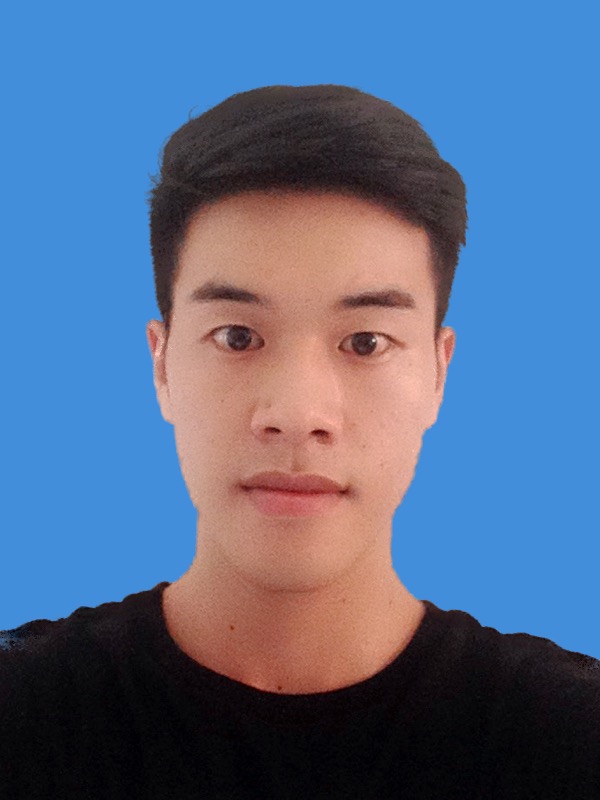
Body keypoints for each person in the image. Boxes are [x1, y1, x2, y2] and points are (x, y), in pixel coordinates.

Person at [1, 84, 598, 798]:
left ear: (439, 373)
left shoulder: (573, 739)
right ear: (161, 366)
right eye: (237, 336)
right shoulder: (20, 717)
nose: (296, 413)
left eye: (366, 341)